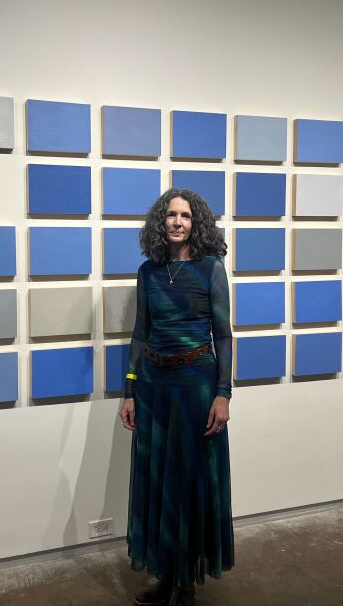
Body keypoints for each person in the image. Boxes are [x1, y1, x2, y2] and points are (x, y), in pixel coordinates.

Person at [119, 188, 234, 606]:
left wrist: (223, 394)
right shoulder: (148, 272)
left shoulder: (210, 270)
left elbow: (222, 334)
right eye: (170, 215)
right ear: (160, 222)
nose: (177, 222)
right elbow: (139, 333)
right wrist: (130, 389)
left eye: (185, 215)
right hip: (153, 389)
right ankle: (165, 576)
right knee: (158, 484)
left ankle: (185, 584)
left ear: (196, 222)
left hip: (196, 389)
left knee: (188, 484)